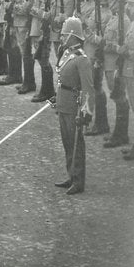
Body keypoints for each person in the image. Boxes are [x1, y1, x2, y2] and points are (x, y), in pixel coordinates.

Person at [54, 17, 95, 195]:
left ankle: (78, 181)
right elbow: (62, 80)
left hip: (74, 106)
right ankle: (71, 175)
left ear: (72, 35)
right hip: (64, 104)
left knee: (76, 144)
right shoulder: (66, 53)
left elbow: (88, 88)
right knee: (67, 142)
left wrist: (85, 111)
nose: (62, 38)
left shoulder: (81, 59)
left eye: (64, 35)